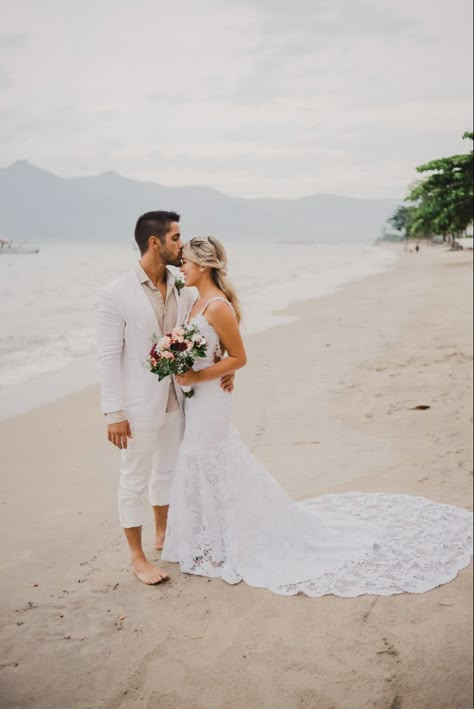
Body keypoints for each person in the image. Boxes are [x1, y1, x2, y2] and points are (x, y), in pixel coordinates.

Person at [161, 236, 473, 597]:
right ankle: (212, 537)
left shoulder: (217, 306)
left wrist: (199, 375)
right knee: (207, 459)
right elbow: (213, 352)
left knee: (204, 457)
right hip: (197, 396)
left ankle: (219, 540)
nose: (180, 267)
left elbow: (240, 357)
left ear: (201, 265)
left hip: (211, 397)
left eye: (184, 262)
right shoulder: (194, 300)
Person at [96, 213, 233, 585]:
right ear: (155, 242)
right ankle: (138, 557)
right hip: (138, 405)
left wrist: (225, 363)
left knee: (168, 472)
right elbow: (108, 357)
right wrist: (114, 412)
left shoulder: (183, 286)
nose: (181, 245)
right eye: (176, 238)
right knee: (134, 478)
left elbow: (212, 321)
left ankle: (161, 533)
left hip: (180, 398)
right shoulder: (115, 293)